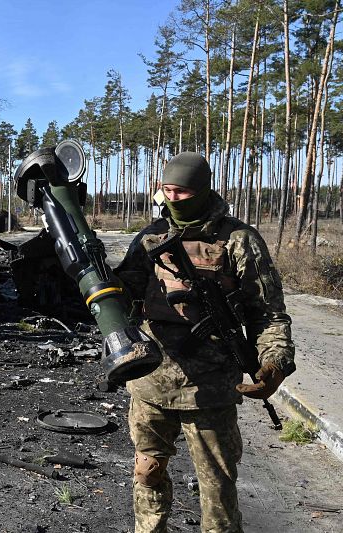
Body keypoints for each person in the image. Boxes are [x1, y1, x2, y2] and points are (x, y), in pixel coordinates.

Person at [113, 152, 295, 533]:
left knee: (217, 490)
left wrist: (274, 361)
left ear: (203, 190)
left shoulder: (239, 240)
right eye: (167, 190)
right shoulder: (149, 238)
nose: (174, 199)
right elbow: (121, 298)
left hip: (211, 387)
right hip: (151, 382)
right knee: (147, 472)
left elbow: (268, 313)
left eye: (183, 192)